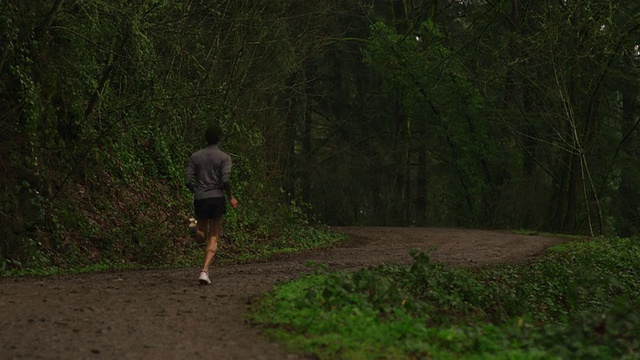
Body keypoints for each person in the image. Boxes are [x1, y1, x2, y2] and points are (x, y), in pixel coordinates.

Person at [185, 125, 238, 285]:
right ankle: (204, 271)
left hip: (200, 198)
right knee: (214, 235)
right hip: (216, 198)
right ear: (219, 139)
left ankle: (193, 228)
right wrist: (230, 197)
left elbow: (187, 179)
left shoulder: (195, 156)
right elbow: (226, 180)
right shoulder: (224, 157)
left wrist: (196, 190)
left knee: (201, 233)